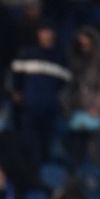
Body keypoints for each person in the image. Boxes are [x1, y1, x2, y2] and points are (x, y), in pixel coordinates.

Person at [10, 21, 70, 166]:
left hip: (50, 107)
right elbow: (16, 78)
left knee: (47, 144)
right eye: (42, 32)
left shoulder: (60, 57)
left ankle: (47, 171)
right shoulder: (27, 53)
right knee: (29, 144)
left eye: (48, 32)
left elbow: (65, 83)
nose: (45, 35)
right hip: (30, 106)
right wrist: (17, 92)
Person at [64, 25, 100, 168]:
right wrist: (66, 107)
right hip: (73, 110)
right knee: (74, 150)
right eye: (81, 44)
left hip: (92, 111)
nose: (84, 47)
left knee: (93, 150)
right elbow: (65, 87)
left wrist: (96, 107)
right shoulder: (70, 62)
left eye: (87, 44)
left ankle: (94, 175)